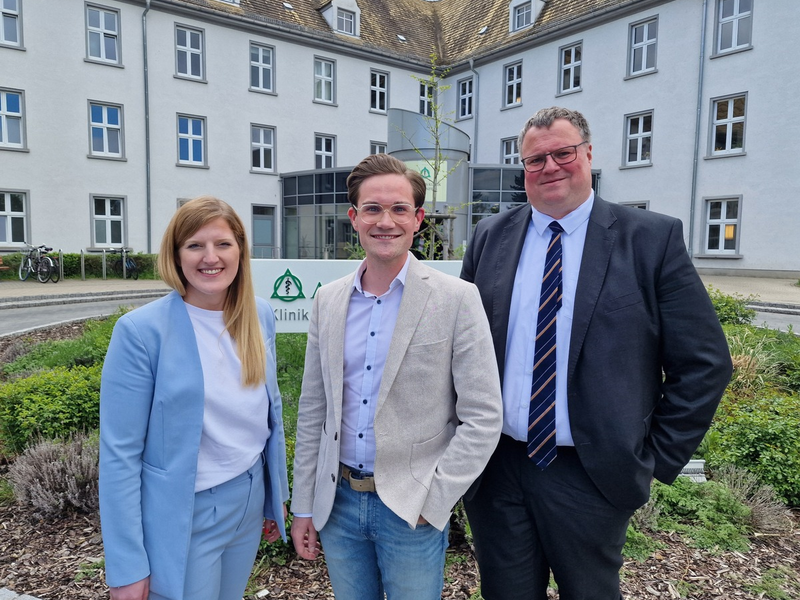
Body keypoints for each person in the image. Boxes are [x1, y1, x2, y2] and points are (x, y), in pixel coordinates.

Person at [461, 107, 732, 600]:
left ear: (588, 154)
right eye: (534, 159)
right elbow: (460, 348)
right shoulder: (490, 236)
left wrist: (651, 458)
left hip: (590, 473)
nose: (550, 167)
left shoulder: (650, 239)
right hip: (496, 467)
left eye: (563, 153)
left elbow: (705, 362)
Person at [290, 154, 503, 599]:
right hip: (339, 504)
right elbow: (314, 410)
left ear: (417, 218)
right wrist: (304, 504)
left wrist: (436, 499)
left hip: (411, 506)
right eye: (372, 208)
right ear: (354, 217)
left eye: (399, 209)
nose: (385, 221)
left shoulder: (457, 298)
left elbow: (483, 416)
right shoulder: (328, 301)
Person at [99, 196, 289, 600]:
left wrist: (274, 497)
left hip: (249, 498)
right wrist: (127, 565)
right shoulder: (140, 333)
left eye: (223, 244)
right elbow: (119, 454)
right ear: (176, 255)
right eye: (194, 245)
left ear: (240, 250)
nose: (211, 257)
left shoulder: (260, 315)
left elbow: (267, 414)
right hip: (187, 512)